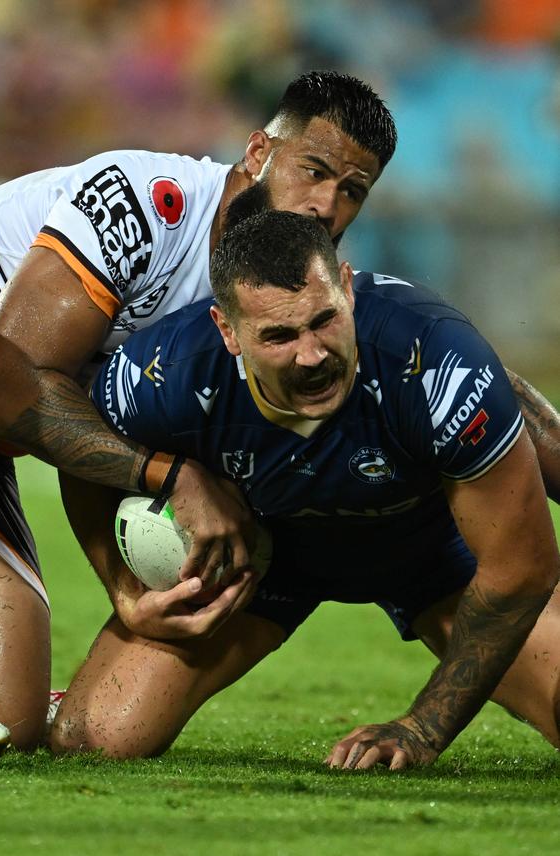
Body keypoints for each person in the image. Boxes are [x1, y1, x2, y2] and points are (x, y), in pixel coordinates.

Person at [0, 70, 556, 761]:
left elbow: (465, 378)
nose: (324, 207)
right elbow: (5, 393)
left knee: (3, 716)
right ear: (256, 153)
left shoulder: (305, 287)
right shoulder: (144, 207)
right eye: (313, 170)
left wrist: (132, 576)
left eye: (352, 192)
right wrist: (169, 478)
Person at [50, 210, 560, 769]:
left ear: (346, 287)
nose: (312, 354)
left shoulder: (435, 360)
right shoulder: (166, 371)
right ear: (228, 331)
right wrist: (124, 590)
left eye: (323, 320)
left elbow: (522, 569)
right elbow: (80, 448)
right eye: (279, 335)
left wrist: (423, 728)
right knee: (91, 739)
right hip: (258, 559)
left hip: (427, 548)